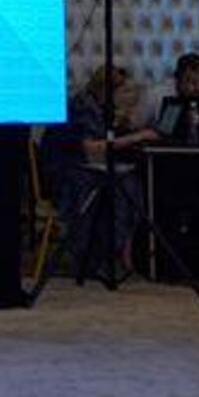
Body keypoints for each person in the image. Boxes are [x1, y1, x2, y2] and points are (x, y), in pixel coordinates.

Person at [47, 66, 158, 271]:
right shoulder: (84, 107)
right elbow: (91, 148)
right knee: (125, 186)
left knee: (131, 181)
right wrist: (136, 137)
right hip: (68, 172)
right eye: (125, 92)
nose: (131, 97)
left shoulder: (96, 106)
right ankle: (106, 252)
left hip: (81, 166)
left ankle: (119, 249)